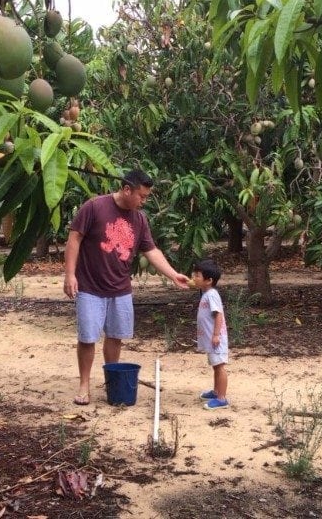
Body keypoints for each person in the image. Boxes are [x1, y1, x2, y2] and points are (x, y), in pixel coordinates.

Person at [63, 169, 190, 405]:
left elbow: (151, 251)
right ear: (127, 189)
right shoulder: (94, 207)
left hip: (120, 288)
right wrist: (70, 274)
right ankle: (84, 384)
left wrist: (173, 275)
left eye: (146, 197)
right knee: (88, 337)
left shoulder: (139, 219)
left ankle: (112, 381)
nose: (144, 201)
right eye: (141, 196)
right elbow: (74, 238)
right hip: (90, 286)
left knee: (116, 337)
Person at [192, 258, 229, 410]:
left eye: (197, 276)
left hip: (216, 339)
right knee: (215, 365)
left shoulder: (212, 294)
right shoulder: (206, 292)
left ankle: (222, 399)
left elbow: (218, 315)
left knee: (219, 367)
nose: (194, 278)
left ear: (209, 280)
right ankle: (216, 392)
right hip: (210, 339)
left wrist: (216, 335)